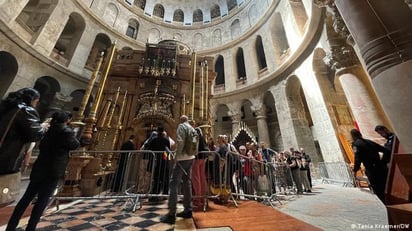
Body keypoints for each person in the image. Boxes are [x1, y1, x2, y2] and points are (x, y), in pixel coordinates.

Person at [6, 110, 80, 231]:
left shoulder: (47, 130)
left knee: (26, 198)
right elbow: (75, 145)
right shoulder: (66, 131)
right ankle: (31, 227)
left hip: (40, 167)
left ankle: (11, 226)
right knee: (42, 200)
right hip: (53, 171)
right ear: (67, 120)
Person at [0, 88, 49, 207]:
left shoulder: (7, 107)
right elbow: (35, 134)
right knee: (3, 194)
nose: (36, 104)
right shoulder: (26, 111)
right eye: (36, 101)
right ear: (32, 100)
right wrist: (43, 127)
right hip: (6, 157)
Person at [160, 115, 196, 224]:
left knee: (173, 183)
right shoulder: (192, 128)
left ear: (180, 120)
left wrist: (177, 156)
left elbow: (180, 141)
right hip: (191, 157)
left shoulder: (182, 126)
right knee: (187, 182)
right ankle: (188, 210)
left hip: (182, 158)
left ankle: (171, 214)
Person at [350, 129, 388, 204]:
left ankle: (387, 205)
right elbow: (384, 150)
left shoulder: (356, 144)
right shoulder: (369, 141)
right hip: (381, 167)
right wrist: (383, 161)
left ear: (353, 136)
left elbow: (357, 158)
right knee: (386, 186)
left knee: (378, 189)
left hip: (372, 169)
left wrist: (355, 170)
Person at [146, 125, 171, 202]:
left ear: (157, 130)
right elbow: (167, 151)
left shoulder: (154, 139)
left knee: (156, 178)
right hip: (163, 161)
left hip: (155, 160)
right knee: (165, 178)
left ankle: (155, 194)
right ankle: (165, 193)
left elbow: (149, 149)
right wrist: (165, 159)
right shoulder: (166, 140)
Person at [190, 121, 209, 208]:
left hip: (197, 157)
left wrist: (191, 153)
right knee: (201, 177)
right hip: (203, 157)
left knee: (196, 178)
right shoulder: (200, 132)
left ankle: (197, 199)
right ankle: (202, 198)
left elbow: (194, 144)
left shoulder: (194, 132)